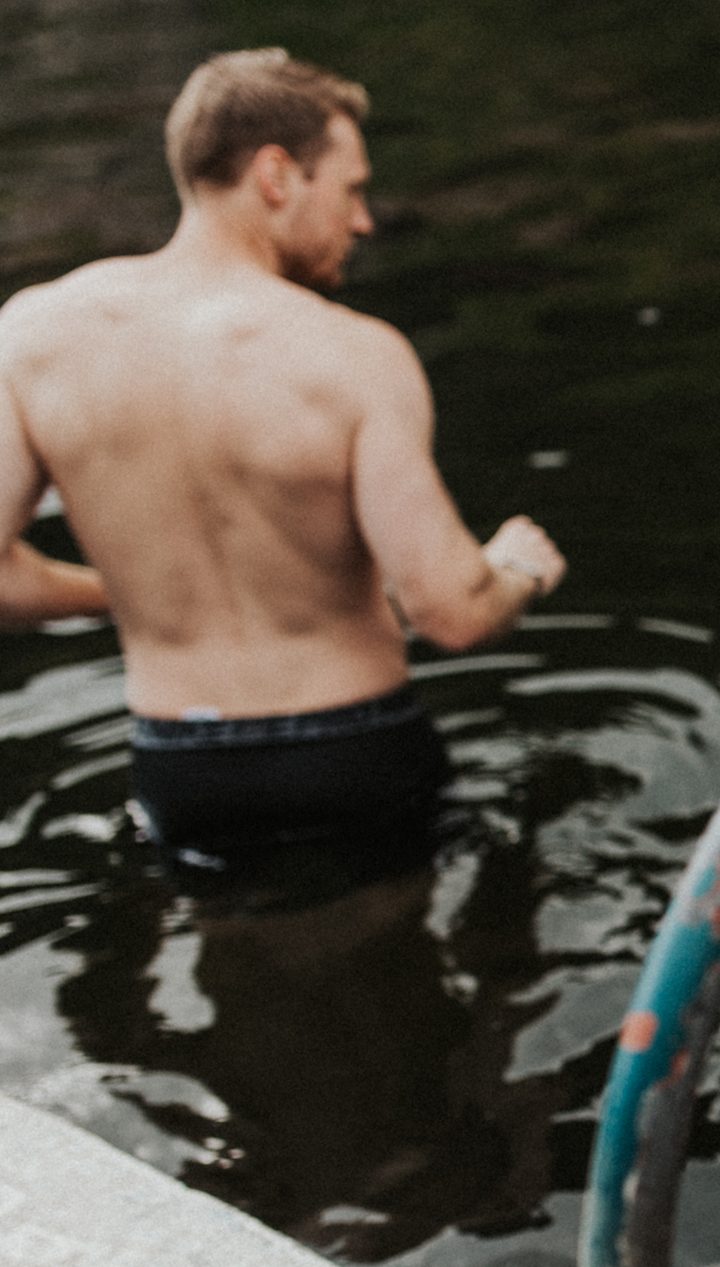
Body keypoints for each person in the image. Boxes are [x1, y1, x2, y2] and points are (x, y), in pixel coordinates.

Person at [0, 48, 566, 864]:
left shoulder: (34, 336)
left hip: (178, 770)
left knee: (237, 976)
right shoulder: (354, 354)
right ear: (277, 175)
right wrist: (518, 570)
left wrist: (123, 594)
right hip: (352, 752)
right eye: (351, 188)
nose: (363, 221)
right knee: (408, 981)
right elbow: (452, 612)